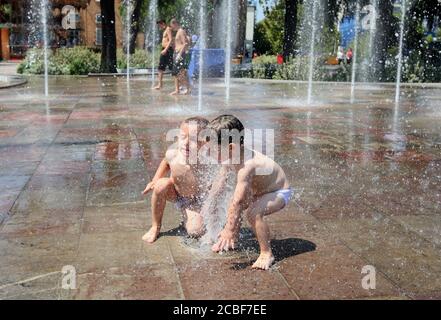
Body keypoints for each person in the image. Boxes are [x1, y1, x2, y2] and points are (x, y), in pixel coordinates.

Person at [204, 115, 293, 270]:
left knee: (252, 213)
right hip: (260, 190)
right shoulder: (231, 156)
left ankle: (266, 253)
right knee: (234, 205)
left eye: (213, 149)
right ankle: (232, 239)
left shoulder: (247, 165)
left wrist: (229, 228)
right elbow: (220, 181)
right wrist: (210, 200)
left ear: (231, 147)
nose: (208, 153)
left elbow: (238, 201)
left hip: (278, 191)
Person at [141, 117, 210, 243]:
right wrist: (155, 179)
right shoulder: (174, 153)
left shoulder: (209, 160)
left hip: (199, 200)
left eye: (194, 140)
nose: (186, 143)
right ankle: (155, 226)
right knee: (160, 185)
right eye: (183, 137)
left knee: (196, 231)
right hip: (177, 194)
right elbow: (166, 162)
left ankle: (188, 213)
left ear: (206, 142)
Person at [169, 19, 191, 95]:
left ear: (175, 24)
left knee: (179, 72)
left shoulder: (181, 31)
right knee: (177, 72)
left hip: (180, 54)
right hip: (177, 53)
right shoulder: (179, 31)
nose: (171, 27)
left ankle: (184, 89)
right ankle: (178, 89)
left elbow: (185, 43)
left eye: (171, 25)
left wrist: (179, 54)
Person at [153, 20, 174, 90]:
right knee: (160, 68)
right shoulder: (165, 30)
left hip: (167, 50)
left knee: (173, 68)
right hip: (165, 50)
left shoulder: (168, 29)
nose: (159, 27)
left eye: (160, 25)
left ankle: (181, 84)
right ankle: (160, 85)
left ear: (163, 24)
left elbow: (171, 40)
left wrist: (165, 49)